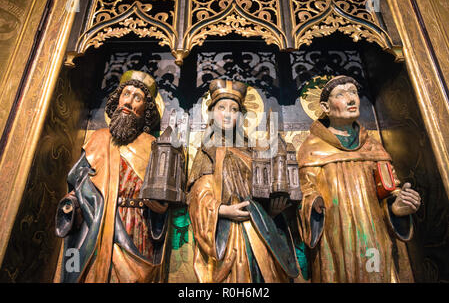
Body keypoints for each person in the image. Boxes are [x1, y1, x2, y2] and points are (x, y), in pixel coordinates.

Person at [297, 75, 421, 282]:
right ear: (325, 107)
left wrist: (397, 206)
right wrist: (312, 205)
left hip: (373, 231)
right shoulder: (312, 148)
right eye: (341, 94)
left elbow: (389, 187)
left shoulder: (373, 147)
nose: (352, 99)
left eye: (354, 92)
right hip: (334, 237)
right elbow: (305, 193)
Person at [54, 71, 169, 283]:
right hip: (93, 223)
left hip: (134, 227)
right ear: (117, 99)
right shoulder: (97, 139)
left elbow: (164, 197)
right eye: (126, 94)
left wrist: (158, 205)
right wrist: (71, 203)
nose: (129, 102)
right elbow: (78, 182)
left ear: (146, 109)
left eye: (137, 98)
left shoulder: (155, 147)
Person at [187, 79, 300, 283]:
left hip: (261, 231)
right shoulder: (207, 151)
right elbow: (198, 196)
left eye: (234, 109)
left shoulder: (254, 151)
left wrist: (273, 211)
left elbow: (265, 190)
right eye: (222, 107)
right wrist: (222, 210)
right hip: (228, 233)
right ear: (212, 114)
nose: (228, 113)